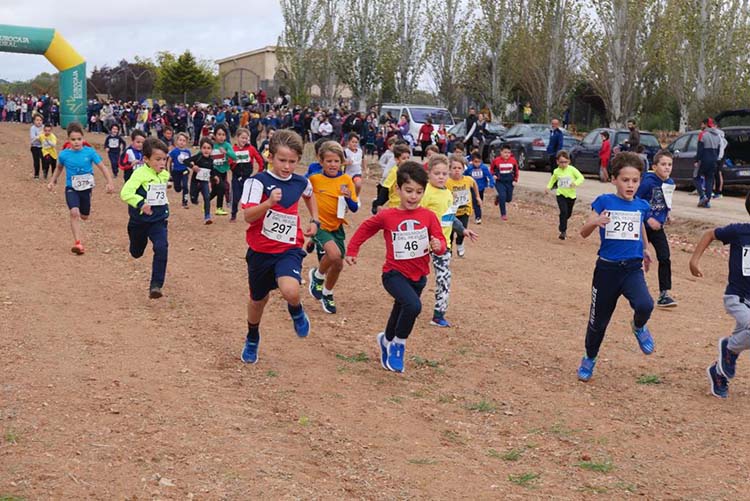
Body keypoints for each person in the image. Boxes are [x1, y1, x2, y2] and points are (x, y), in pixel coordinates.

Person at [345, 162, 447, 373]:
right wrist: (352, 250)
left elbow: (440, 241)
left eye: (419, 192)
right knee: (413, 306)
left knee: (400, 310)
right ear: (398, 189)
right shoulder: (387, 215)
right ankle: (399, 345)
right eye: (408, 191)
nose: (413, 196)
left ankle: (387, 340)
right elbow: (366, 228)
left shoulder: (428, 216)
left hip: (418, 276)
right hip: (393, 274)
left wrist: (438, 246)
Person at [238, 130, 320, 364]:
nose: (286, 166)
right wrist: (269, 203)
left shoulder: (300, 181)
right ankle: (252, 337)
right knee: (258, 301)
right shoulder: (257, 182)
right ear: (270, 157)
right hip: (260, 251)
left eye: (292, 161)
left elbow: (309, 195)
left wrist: (314, 220)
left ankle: (296, 310)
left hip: (288, 248)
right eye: (282, 160)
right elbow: (248, 216)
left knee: (290, 290)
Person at [576, 152, 655, 382]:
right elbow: (583, 232)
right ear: (614, 180)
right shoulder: (604, 202)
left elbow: (640, 228)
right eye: (625, 180)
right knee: (598, 322)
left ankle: (638, 327)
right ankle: (589, 357)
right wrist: (595, 222)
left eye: (635, 180)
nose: (630, 185)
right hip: (607, 271)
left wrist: (646, 249)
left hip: (631, 269)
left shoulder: (641, 205)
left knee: (646, 304)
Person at [690, 193, 750, 398]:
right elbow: (709, 234)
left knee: (745, 336)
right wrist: (694, 261)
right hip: (737, 297)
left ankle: (718, 373)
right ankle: (728, 349)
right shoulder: (739, 232)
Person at [420, 154, 479, 327]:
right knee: (418, 278)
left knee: (444, 277)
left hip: (443, 243)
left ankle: (439, 314)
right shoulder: (425, 193)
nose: (441, 177)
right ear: (429, 173)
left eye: (444, 174)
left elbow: (450, 217)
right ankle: (410, 304)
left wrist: (463, 230)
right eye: (437, 173)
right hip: (423, 243)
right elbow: (417, 216)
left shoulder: (448, 193)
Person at [47, 122, 115, 254]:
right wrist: (52, 181)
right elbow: (59, 168)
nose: (76, 142)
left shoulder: (90, 152)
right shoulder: (64, 155)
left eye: (79, 139)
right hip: (71, 188)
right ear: (68, 140)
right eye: (73, 139)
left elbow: (102, 167)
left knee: (84, 216)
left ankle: (83, 217)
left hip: (86, 189)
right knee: (74, 213)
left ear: (83, 139)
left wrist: (110, 182)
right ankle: (78, 243)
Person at [307, 141, 359, 314]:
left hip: (337, 226)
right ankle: (319, 277)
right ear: (321, 162)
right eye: (328, 161)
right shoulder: (314, 179)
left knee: (338, 264)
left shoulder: (346, 180)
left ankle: (326, 290)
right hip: (319, 224)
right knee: (334, 255)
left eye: (336, 161)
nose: (333, 165)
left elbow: (354, 208)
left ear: (342, 163)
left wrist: (349, 197)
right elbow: (301, 191)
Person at [120, 138, 171, 299]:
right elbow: (125, 193)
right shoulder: (139, 174)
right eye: (158, 159)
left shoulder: (164, 174)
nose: (162, 163)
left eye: (164, 159)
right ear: (146, 159)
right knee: (136, 252)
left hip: (158, 220)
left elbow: (159, 193)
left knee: (162, 248)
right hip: (139, 222)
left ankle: (156, 285)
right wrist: (141, 203)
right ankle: (135, 246)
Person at [636, 150, 677, 307]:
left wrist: (667, 214)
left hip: (657, 228)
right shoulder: (647, 182)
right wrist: (648, 218)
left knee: (664, 257)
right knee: (635, 258)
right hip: (641, 227)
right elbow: (635, 201)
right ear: (654, 166)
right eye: (663, 164)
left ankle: (664, 294)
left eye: (670, 164)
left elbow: (666, 202)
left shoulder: (670, 183)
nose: (667, 168)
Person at [545, 150, 584, 240]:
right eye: (561, 162)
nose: (563, 164)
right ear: (557, 162)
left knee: (568, 214)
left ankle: (562, 221)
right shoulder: (556, 171)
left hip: (571, 196)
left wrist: (575, 183)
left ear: (569, 161)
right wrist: (548, 187)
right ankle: (563, 231)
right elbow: (553, 180)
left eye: (565, 162)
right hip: (561, 194)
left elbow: (581, 177)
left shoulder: (572, 169)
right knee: (563, 211)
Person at [446, 155, 480, 257]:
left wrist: (477, 196)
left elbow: (474, 184)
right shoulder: (447, 181)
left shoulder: (468, 179)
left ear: (463, 169)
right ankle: (449, 250)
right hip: (451, 212)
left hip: (464, 210)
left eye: (459, 168)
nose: (457, 170)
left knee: (462, 230)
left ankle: (460, 244)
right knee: (450, 233)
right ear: (449, 169)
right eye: (454, 168)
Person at [230, 128, 264, 222]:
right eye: (242, 138)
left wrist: (259, 171)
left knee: (248, 197)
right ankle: (233, 214)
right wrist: (232, 163)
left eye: (246, 138)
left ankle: (251, 214)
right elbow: (228, 163)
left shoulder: (251, 149)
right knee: (236, 196)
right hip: (236, 176)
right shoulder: (233, 149)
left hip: (247, 177)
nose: (244, 140)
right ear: (237, 138)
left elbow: (260, 159)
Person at [208, 124, 238, 217]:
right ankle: (219, 208)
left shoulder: (227, 145)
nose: (221, 137)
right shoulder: (211, 145)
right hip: (214, 171)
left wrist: (226, 152)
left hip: (223, 170)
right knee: (221, 187)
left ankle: (206, 201)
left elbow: (234, 157)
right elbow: (202, 153)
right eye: (219, 134)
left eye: (223, 135)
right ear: (215, 135)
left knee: (216, 190)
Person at [375, 143, 413, 212]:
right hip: (395, 205)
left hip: (406, 204)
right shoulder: (394, 172)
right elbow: (385, 188)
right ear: (397, 159)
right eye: (404, 158)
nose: (407, 160)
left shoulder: (409, 171)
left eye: (408, 158)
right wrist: (378, 203)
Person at [187, 138, 216, 224]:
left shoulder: (211, 160)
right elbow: (186, 161)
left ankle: (207, 216)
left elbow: (212, 170)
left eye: (208, 148)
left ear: (211, 150)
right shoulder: (198, 157)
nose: (206, 150)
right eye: (204, 148)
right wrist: (192, 167)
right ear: (201, 148)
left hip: (204, 182)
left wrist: (214, 177)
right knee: (193, 197)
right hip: (195, 182)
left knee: (207, 197)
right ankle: (194, 198)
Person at [695, 117, 722, 208]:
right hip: (714, 161)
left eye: (702, 124)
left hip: (703, 160)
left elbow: (700, 149)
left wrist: (696, 160)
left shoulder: (703, 134)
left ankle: (702, 197)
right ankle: (707, 201)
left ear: (706, 124)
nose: (701, 126)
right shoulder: (718, 136)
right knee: (709, 179)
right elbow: (719, 150)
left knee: (696, 177)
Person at [491, 145, 520, 221]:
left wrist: (515, 180)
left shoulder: (513, 161)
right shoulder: (496, 160)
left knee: (508, 199)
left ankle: (498, 198)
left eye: (508, 152)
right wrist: (493, 175)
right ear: (501, 152)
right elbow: (491, 169)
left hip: (510, 182)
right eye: (505, 152)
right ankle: (503, 214)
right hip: (500, 182)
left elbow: (516, 171)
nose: (507, 154)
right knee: (503, 196)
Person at [464, 153, 494, 224]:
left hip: (481, 188)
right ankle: (478, 217)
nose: (477, 164)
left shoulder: (484, 168)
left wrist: (491, 184)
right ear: (472, 161)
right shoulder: (469, 168)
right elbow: (464, 176)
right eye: (475, 162)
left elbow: (489, 176)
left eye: (479, 162)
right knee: (476, 202)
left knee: (480, 201)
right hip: (472, 188)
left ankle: (476, 210)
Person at [167, 132, 192, 208]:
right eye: (180, 140)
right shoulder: (174, 151)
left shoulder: (188, 152)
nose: (182, 142)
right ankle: (178, 185)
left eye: (184, 140)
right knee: (177, 189)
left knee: (185, 186)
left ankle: (185, 202)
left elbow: (190, 161)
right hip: (176, 171)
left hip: (184, 170)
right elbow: (169, 162)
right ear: (177, 141)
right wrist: (168, 172)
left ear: (186, 142)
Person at [344, 132, 364, 198]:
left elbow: (363, 159)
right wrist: (346, 162)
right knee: (346, 193)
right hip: (347, 174)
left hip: (357, 173)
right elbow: (340, 162)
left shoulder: (360, 151)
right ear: (348, 142)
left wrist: (365, 168)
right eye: (353, 142)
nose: (354, 144)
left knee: (358, 184)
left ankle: (356, 197)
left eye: (356, 142)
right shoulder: (345, 152)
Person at [29, 114, 44, 179]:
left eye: (40, 120)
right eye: (37, 120)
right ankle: (36, 175)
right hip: (35, 147)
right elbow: (33, 138)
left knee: (44, 161)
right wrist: (39, 136)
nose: (39, 122)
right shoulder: (32, 128)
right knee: (36, 161)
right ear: (34, 121)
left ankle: (45, 173)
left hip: (43, 147)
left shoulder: (44, 127)